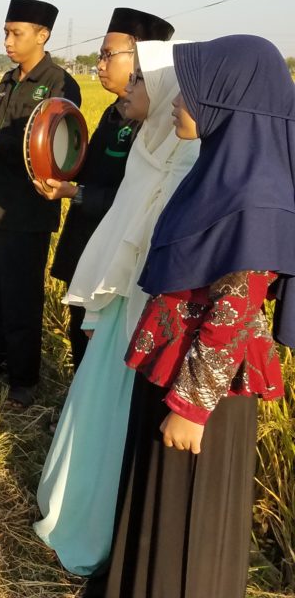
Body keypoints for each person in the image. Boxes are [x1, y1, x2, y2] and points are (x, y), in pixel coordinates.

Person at [97, 35, 293, 598]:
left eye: (194, 91)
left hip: (206, 393)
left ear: (230, 100)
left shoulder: (258, 194)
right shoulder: (221, 172)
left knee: (187, 516)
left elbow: (236, 307)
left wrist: (191, 408)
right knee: (158, 501)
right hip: (174, 365)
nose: (179, 102)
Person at [33, 40, 199, 577]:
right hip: (121, 305)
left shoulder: (189, 158)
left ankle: (103, 526)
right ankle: (74, 511)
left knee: (119, 421)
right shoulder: (150, 143)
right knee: (96, 404)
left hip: (149, 314)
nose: (128, 87)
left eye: (140, 80)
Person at [0, 0, 81, 407]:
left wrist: (2, 141)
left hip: (26, 210)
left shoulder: (61, 84)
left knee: (20, 297)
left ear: (42, 35)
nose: (8, 41)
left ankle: (23, 378)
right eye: (6, 33)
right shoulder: (7, 81)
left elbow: (59, 144)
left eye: (17, 33)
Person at [41, 8, 174, 368]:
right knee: (80, 333)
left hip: (119, 256)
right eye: (99, 55)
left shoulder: (161, 126)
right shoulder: (113, 113)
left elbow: (141, 201)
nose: (99, 65)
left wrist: (75, 193)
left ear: (142, 57)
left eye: (106, 55)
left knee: (108, 342)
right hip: (86, 240)